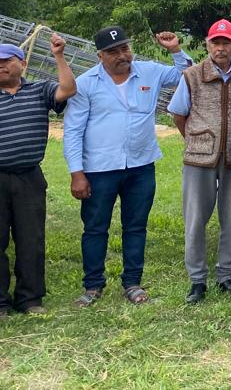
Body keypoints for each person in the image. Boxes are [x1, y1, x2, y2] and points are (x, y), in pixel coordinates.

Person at [63, 26, 191, 306]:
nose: (122, 55)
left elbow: (186, 74)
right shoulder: (85, 84)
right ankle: (93, 285)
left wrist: (175, 50)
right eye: (113, 51)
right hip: (99, 169)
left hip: (141, 166)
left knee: (136, 226)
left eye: (125, 48)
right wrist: (77, 173)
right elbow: (72, 131)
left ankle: (132, 282)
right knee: (95, 228)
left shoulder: (149, 72)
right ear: (100, 55)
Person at [167, 19, 231, 304]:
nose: (220, 48)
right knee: (195, 219)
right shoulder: (192, 75)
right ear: (208, 45)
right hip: (199, 159)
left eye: (226, 43)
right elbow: (179, 114)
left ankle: (226, 276)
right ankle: (197, 279)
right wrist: (197, 140)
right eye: (215, 43)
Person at [0, 36, 75, 317]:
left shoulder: (40, 90)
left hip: (29, 178)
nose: (1, 66)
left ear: (23, 63)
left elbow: (68, 89)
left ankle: (29, 299)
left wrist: (59, 56)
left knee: (31, 239)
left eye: (6, 61)